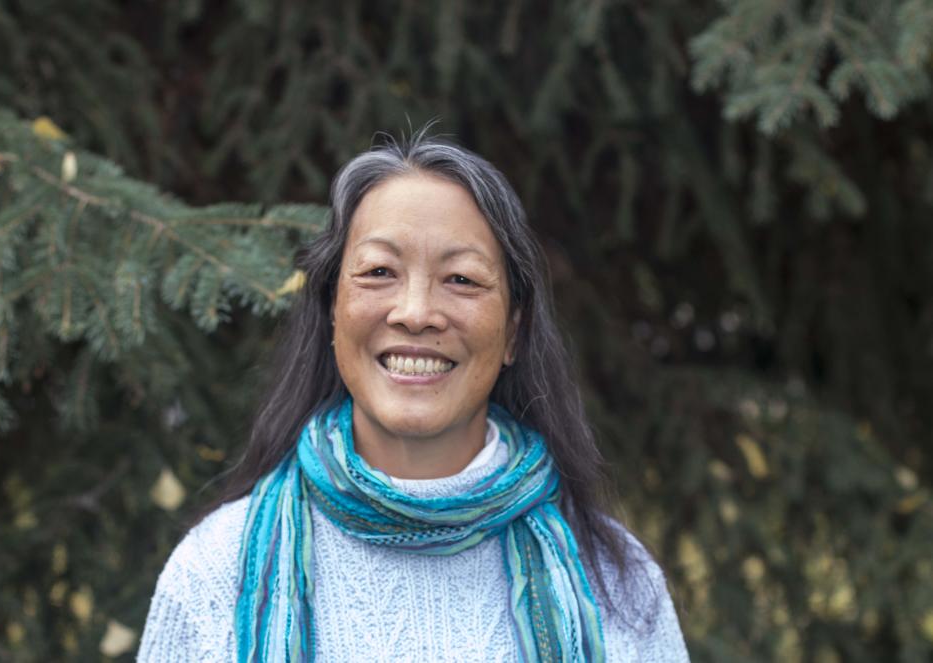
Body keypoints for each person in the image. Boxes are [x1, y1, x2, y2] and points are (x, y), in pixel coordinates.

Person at [138, 129, 690, 662]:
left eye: (462, 280)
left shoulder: (616, 581)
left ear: (514, 331)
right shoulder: (215, 573)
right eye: (379, 271)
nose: (417, 313)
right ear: (332, 312)